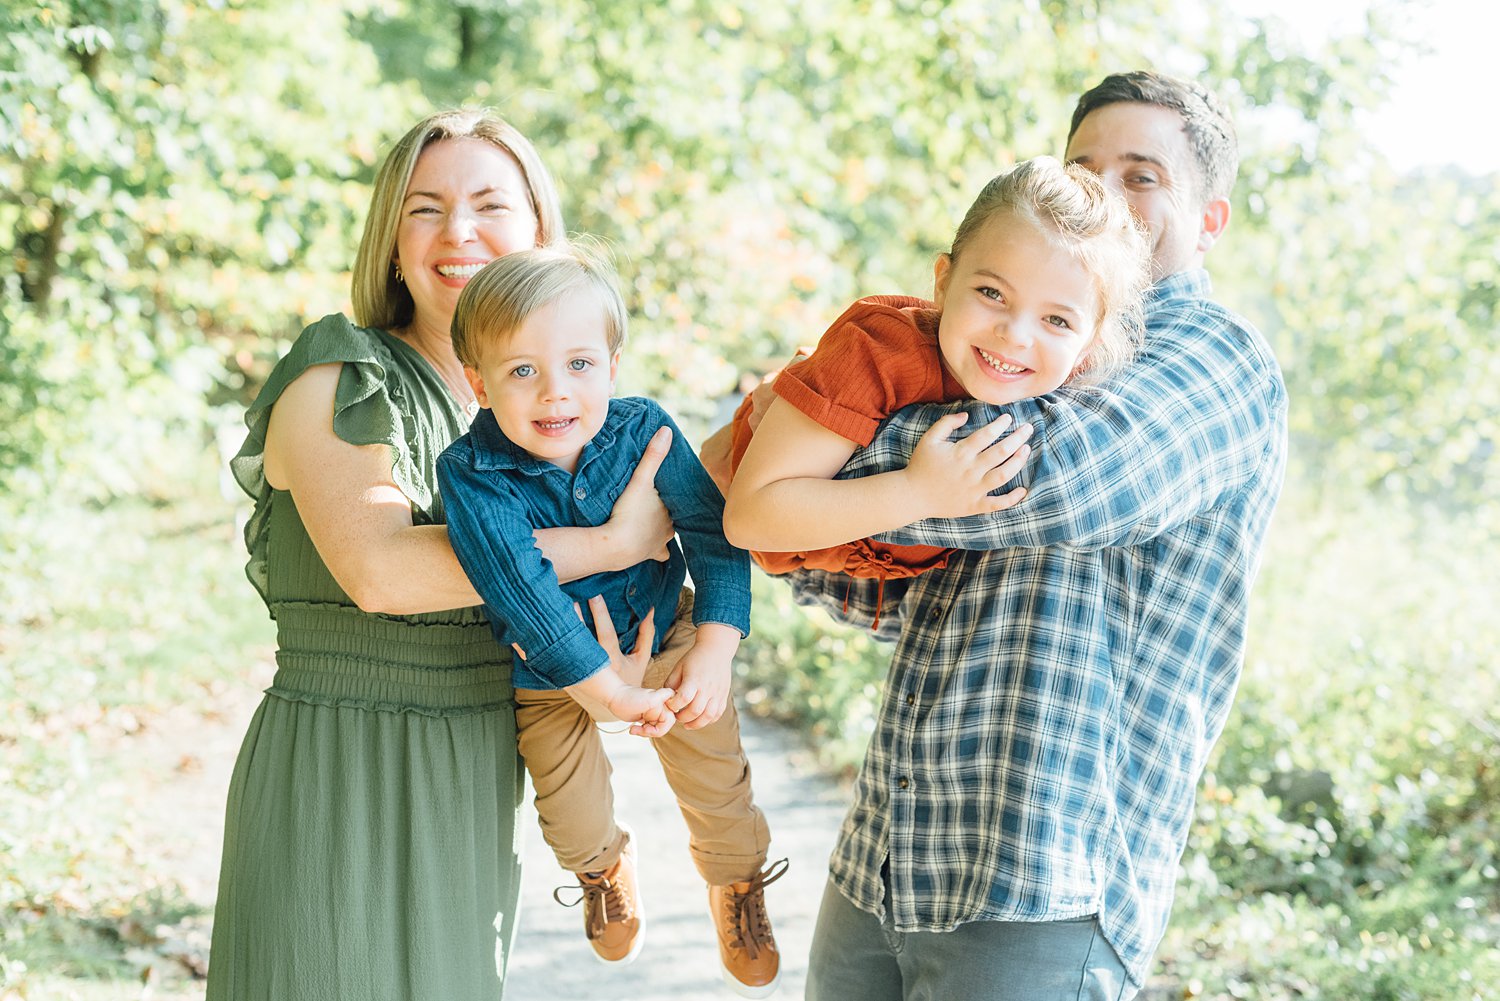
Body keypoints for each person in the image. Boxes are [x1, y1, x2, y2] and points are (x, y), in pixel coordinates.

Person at [703, 70, 1288, 1000]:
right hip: (889, 854)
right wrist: (819, 514)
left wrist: (804, 433)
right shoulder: (1018, 355)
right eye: (1083, 167)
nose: (1102, 194)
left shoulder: (1217, 355)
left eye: (1141, 175)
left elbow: (1046, 484)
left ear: (1209, 218)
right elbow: (892, 587)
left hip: (1046, 877)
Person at [208, 110, 678, 1000]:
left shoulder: (551, 415)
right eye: (425, 209)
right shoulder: (341, 373)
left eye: (490, 205)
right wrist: (611, 541)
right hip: (340, 759)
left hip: (470, 759)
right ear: (391, 243)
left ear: (541, 234)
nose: (458, 233)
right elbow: (381, 570)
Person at [436, 245, 787, 998]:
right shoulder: (472, 473)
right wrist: (606, 693)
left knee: (715, 768)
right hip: (548, 664)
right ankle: (603, 869)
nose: (556, 393)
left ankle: (736, 884)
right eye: (522, 370)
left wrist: (716, 645)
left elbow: (711, 528)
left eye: (580, 365)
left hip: (662, 631)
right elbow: (520, 587)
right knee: (569, 810)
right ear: (478, 381)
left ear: (613, 364)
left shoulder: (642, 432)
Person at [721, 156, 1151, 597]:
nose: (1015, 335)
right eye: (992, 293)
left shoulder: (1067, 404)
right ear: (943, 282)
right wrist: (916, 492)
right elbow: (748, 518)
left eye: (1057, 321)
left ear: (1090, 344)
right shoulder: (879, 351)